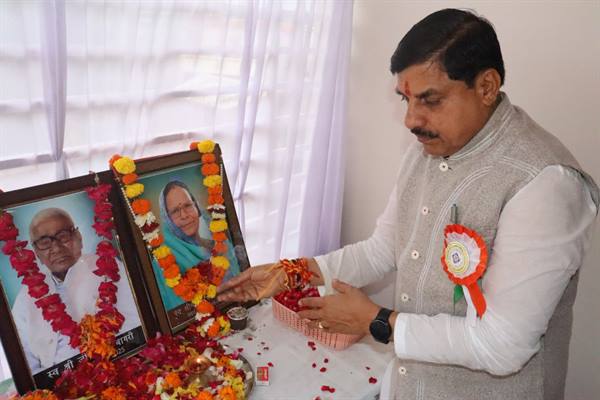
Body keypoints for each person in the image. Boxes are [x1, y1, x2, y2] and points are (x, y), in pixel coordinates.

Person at [218, 8, 599, 400]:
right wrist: (294, 272)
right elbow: (383, 250)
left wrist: (377, 321)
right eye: (406, 99)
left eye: (430, 100)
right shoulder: (428, 148)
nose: (411, 119)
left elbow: (503, 345)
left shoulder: (547, 184)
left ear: (486, 86)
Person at [11, 208, 140, 374]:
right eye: (45, 242)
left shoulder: (108, 268)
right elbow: (25, 362)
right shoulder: (25, 298)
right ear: (35, 251)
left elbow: (136, 324)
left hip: (113, 365)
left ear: (78, 237)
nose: (56, 248)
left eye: (63, 236)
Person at [152, 180, 240, 311]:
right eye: (175, 211)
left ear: (197, 207)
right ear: (167, 219)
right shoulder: (163, 263)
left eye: (188, 205)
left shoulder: (218, 243)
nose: (184, 215)